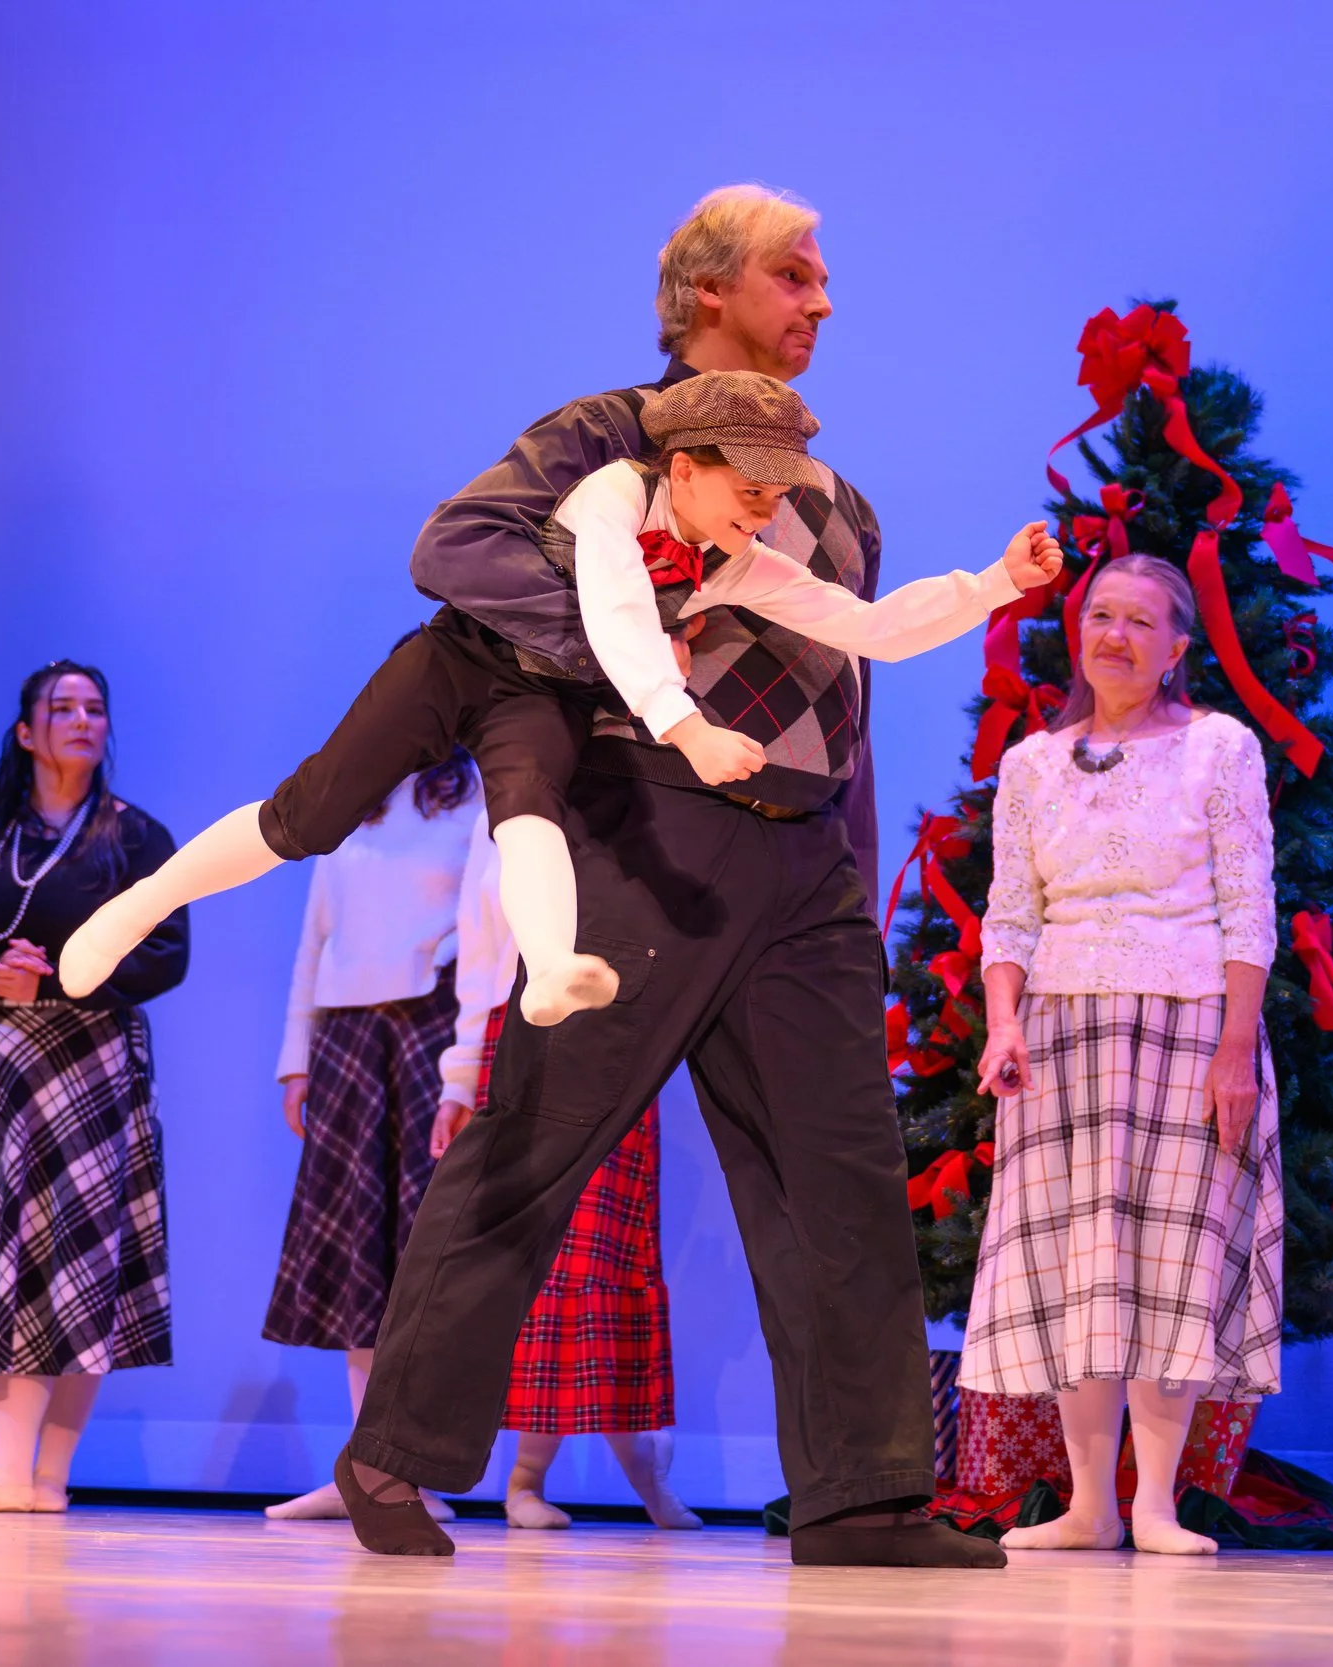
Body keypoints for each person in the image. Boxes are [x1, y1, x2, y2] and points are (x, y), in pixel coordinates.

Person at [328, 191, 1024, 1570]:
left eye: (826, 281)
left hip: (803, 862)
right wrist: (630, 640)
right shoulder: (611, 437)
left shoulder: (836, 495)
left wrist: (853, 877)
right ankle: (394, 1453)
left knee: (841, 1175)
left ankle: (864, 1494)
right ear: (707, 292)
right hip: (648, 835)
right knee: (537, 1142)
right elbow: (453, 552)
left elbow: (847, 697)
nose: (822, 303)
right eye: (795, 277)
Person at [58, 378, 1056, 1031]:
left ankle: (548, 969)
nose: (765, 509)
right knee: (310, 814)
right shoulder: (614, 496)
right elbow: (618, 607)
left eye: (776, 492)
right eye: (750, 486)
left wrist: (993, 583)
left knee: (527, 799)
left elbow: (861, 622)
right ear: (686, 466)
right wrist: (686, 724)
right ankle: (138, 904)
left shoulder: (736, 558)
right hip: (460, 658)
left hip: (544, 691)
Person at [966, 555, 1282, 1558]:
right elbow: (1009, 913)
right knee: (1076, 1267)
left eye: (1140, 620)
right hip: (1061, 1029)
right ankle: (1089, 1503)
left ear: (1177, 647)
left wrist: (1237, 1047)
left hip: (1187, 1021)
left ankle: (1154, 1502)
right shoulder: (1032, 764)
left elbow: (1248, 902)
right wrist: (1003, 1021)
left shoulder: (1217, 747)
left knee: (1170, 1263)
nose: (1115, 635)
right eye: (1100, 615)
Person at [0, 661, 191, 1513]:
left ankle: (40, 1476)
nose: (82, 719)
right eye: (61, 707)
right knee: (2, 1251)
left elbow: (167, 955)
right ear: (25, 732)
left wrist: (56, 984)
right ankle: (8, 1469)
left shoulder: (136, 838)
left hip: (91, 1067)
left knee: (81, 1261)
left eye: (95, 707)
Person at [433, 816, 699, 1532]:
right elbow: (478, 957)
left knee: (602, 1259)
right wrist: (459, 1082)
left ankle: (636, 1470)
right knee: (527, 1263)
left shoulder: (634, 809)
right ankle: (524, 1478)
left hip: (614, 1044)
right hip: (513, 1037)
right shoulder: (498, 815)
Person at [260, 752, 480, 1522]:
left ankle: (405, 1467)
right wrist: (297, 1059)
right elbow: (315, 939)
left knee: (421, 1255)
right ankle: (364, 1462)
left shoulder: (480, 801)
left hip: (431, 1027)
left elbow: (490, 942)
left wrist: (464, 1075)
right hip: (349, 1040)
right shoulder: (355, 799)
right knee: (359, 1252)